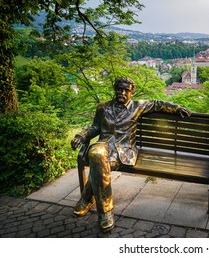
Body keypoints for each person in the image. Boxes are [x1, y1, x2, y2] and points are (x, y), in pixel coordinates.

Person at [71, 76, 191, 232]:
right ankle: (105, 212)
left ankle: (87, 199)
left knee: (97, 163)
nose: (121, 92)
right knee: (96, 154)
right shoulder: (103, 107)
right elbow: (95, 127)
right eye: (119, 89)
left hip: (124, 151)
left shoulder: (137, 106)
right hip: (104, 146)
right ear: (115, 89)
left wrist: (176, 107)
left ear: (132, 92)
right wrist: (81, 136)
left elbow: (157, 104)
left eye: (126, 90)